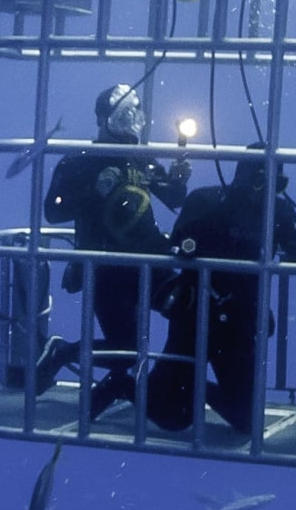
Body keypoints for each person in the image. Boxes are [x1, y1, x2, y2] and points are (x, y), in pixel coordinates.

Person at [43, 84, 189, 417]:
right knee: (126, 350)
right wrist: (94, 192)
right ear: (102, 118)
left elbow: (174, 199)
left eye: (136, 113)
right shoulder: (80, 161)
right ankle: (63, 353)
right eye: (124, 114)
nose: (132, 121)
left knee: (190, 312)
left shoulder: (142, 158)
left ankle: (153, 387)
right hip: (105, 268)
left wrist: (178, 180)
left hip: (152, 264)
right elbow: (53, 211)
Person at [146, 149, 296, 434]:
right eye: (260, 182)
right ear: (241, 177)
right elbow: (177, 245)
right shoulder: (206, 201)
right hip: (194, 314)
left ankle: (190, 387)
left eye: (275, 184)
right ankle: (132, 385)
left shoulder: (279, 211)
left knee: (247, 420)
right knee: (170, 417)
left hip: (242, 318)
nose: (266, 192)